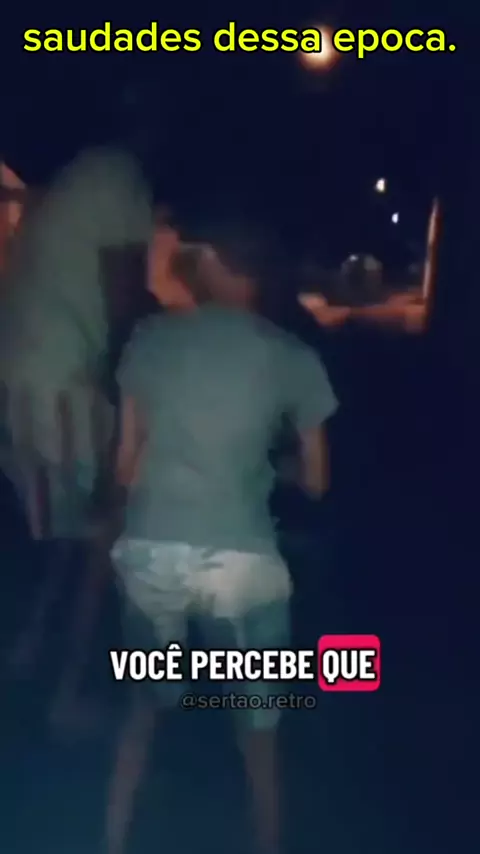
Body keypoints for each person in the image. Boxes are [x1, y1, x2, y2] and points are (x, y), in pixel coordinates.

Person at [104, 228, 338, 854]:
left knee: (144, 708)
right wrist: (265, 466)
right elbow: (317, 481)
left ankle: (111, 840)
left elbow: (125, 470)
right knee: (257, 730)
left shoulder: (150, 340)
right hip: (241, 562)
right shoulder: (290, 354)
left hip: (154, 552)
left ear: (209, 263)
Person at [0, 123, 156, 726]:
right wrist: (137, 394)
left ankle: (30, 656)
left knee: (65, 535)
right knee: (101, 529)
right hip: (59, 386)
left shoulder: (77, 176)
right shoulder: (119, 177)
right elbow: (124, 304)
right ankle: (66, 694)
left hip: (30, 377)